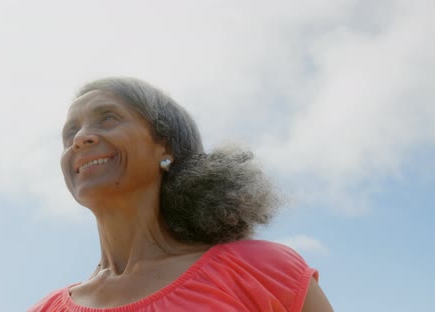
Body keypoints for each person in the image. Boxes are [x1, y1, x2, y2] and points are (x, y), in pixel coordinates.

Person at [29, 77, 333, 312]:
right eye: (70, 134)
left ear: (167, 148)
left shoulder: (261, 270)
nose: (80, 138)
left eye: (108, 118)